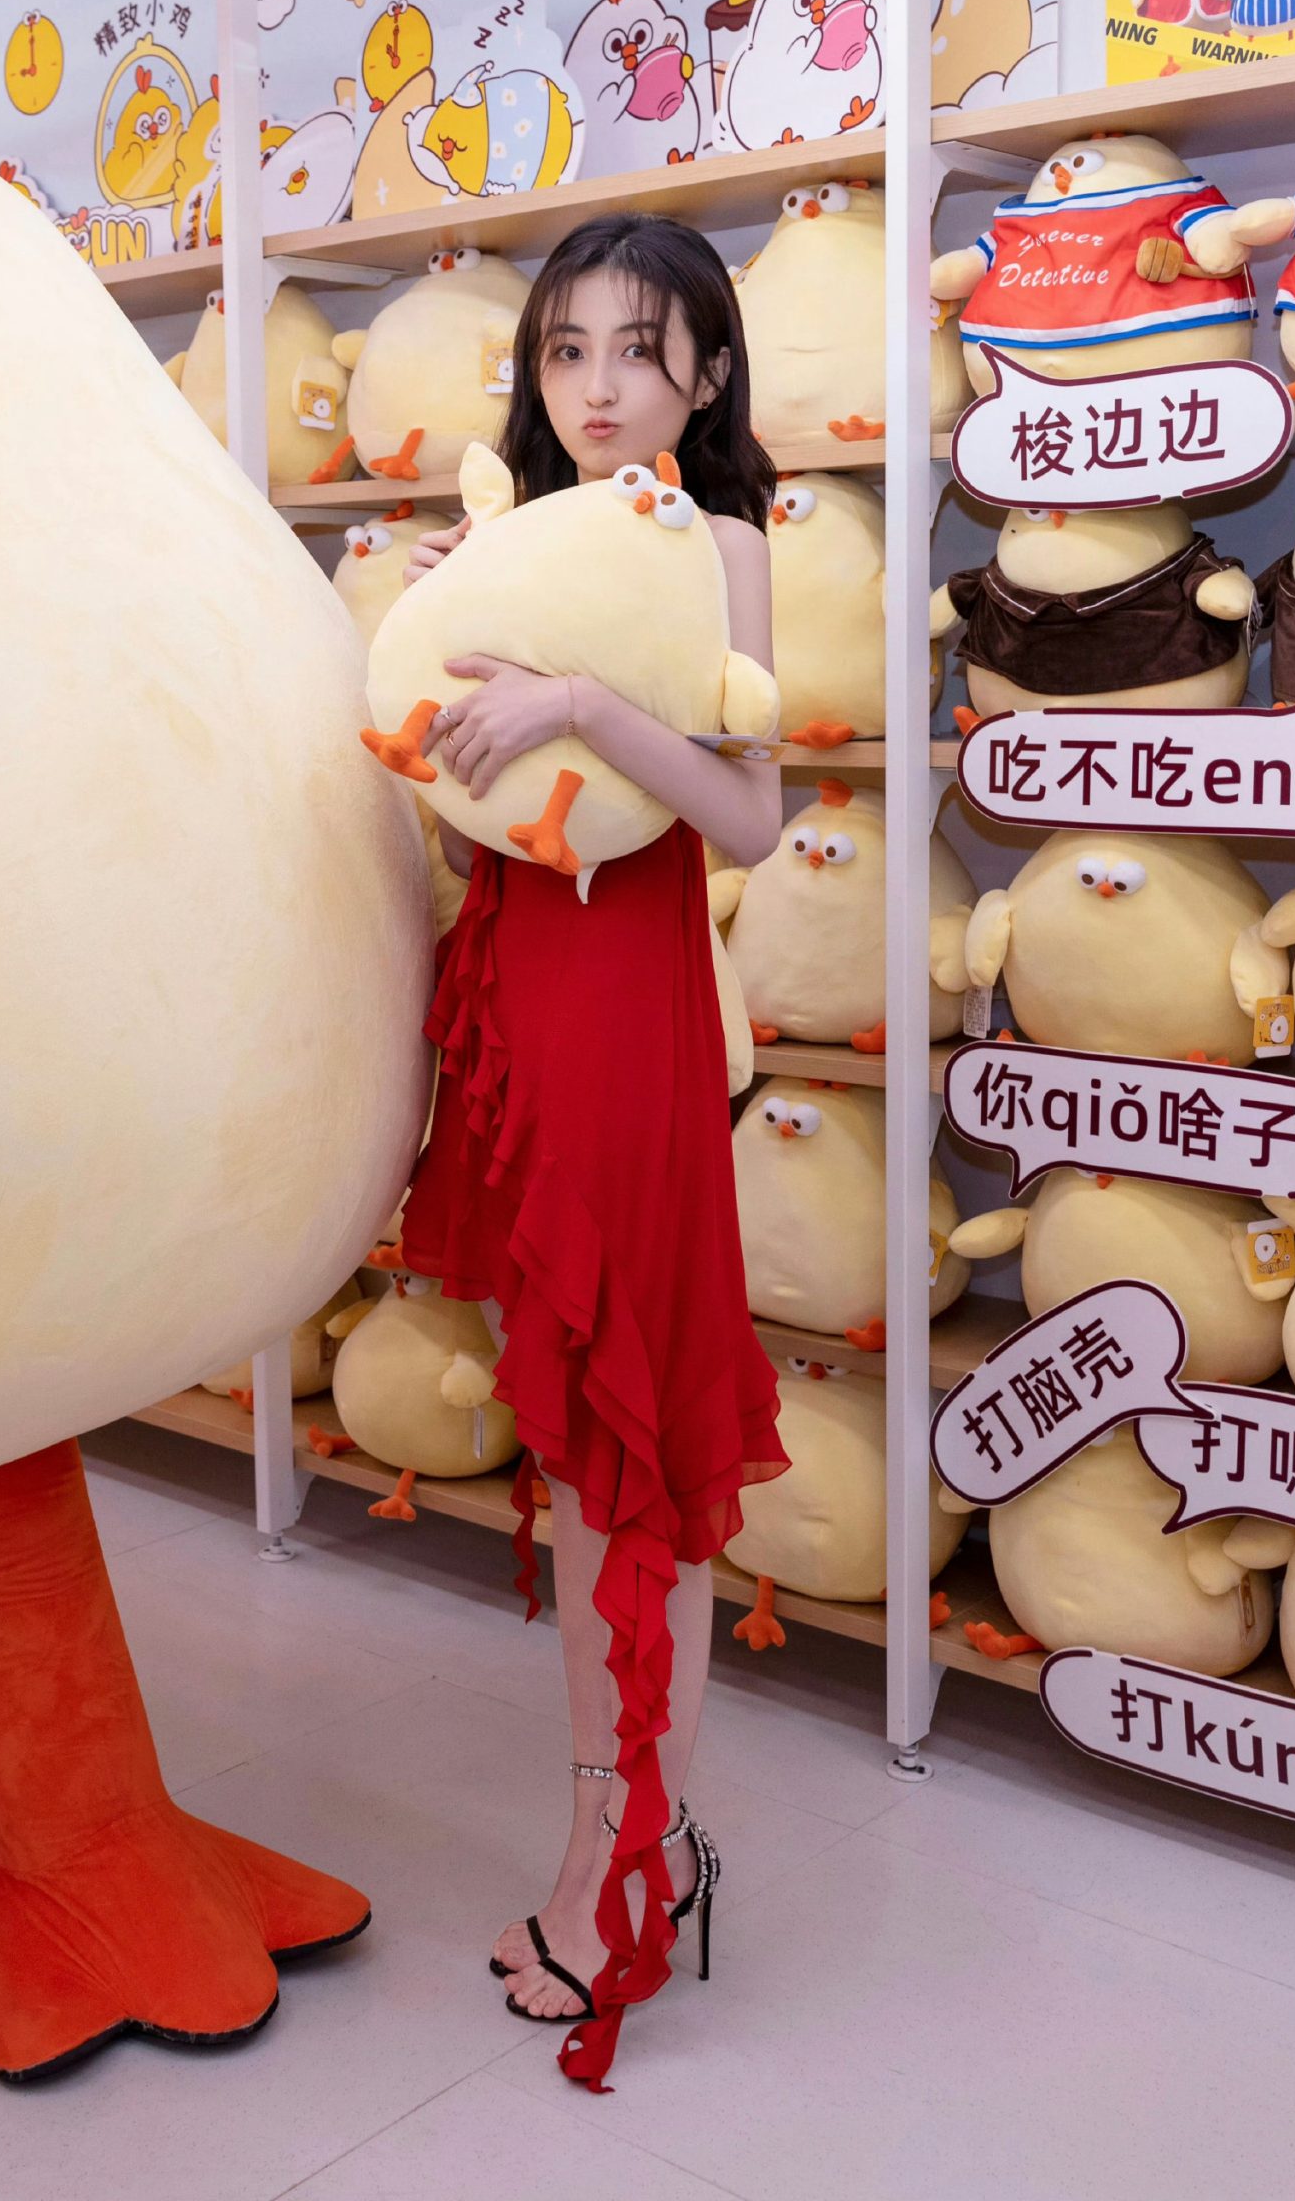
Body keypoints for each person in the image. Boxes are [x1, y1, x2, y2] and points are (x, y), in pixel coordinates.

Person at [395, 211, 789, 2089]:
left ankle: (623, 1863)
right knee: (569, 1449)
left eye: (640, 349)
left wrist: (580, 701)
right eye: (567, 352)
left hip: (629, 1021)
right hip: (514, 995)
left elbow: (753, 818)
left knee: (633, 1454)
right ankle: (632, 1840)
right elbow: (447, 790)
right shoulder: (518, 533)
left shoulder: (723, 546)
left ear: (707, 371)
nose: (602, 387)